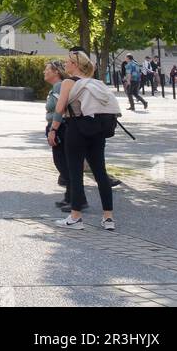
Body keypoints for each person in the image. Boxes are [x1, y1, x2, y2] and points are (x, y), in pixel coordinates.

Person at [54, 50, 118, 230]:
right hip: (97, 129)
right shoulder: (97, 83)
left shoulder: (68, 82)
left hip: (76, 129)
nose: (65, 65)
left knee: (75, 173)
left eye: (67, 62)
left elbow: (59, 108)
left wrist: (54, 128)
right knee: (101, 173)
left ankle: (75, 217)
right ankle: (108, 218)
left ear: (74, 64)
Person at [43, 60, 76, 210]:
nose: (44, 71)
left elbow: (59, 109)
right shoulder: (57, 86)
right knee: (63, 163)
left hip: (60, 127)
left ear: (56, 71)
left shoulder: (59, 86)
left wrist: (53, 129)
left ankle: (76, 198)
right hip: (58, 126)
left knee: (63, 163)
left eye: (47, 69)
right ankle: (70, 197)